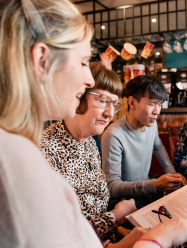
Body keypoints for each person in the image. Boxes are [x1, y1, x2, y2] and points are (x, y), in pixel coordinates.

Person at [0, 0, 187, 248]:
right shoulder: (5, 155)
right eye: (82, 62)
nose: (86, 79)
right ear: (41, 60)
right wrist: (158, 240)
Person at [39, 63, 137, 243]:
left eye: (114, 104)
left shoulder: (90, 144)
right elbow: (59, 235)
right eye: (102, 101)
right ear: (79, 96)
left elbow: (93, 211)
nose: (109, 114)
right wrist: (115, 217)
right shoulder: (45, 151)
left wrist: (120, 231)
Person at [102, 75, 187, 208]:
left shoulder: (151, 125)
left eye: (159, 105)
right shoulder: (114, 134)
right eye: (152, 104)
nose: (157, 111)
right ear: (132, 103)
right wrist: (155, 185)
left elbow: (158, 147)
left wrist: (173, 174)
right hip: (124, 202)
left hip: (146, 193)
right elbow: (111, 187)